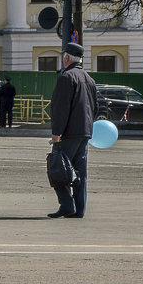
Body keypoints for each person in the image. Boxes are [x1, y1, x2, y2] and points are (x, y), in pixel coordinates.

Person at [48, 42, 98, 219]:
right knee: (80, 172)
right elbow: (95, 107)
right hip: (85, 132)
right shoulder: (88, 78)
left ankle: (67, 205)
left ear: (67, 57)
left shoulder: (66, 77)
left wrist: (56, 133)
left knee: (58, 168)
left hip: (68, 133)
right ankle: (80, 209)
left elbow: (61, 108)